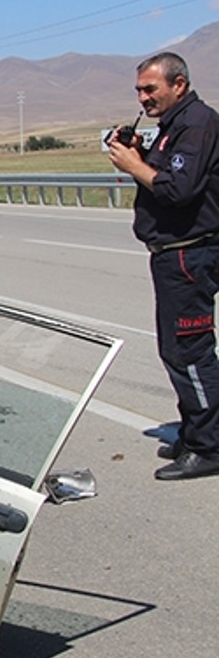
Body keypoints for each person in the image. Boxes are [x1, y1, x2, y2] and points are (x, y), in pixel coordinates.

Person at [108, 51, 219, 480]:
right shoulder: (173, 128)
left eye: (150, 89)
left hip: (190, 253)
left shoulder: (197, 125)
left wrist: (135, 166)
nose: (143, 98)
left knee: (189, 350)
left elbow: (179, 189)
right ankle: (196, 432)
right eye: (138, 89)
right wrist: (141, 153)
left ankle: (208, 446)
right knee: (178, 349)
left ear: (179, 85)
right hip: (175, 253)